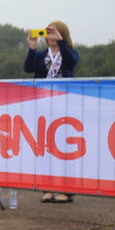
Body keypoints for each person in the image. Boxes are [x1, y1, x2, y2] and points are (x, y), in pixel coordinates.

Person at [25, 20, 79, 203]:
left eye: (53, 33)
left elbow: (72, 63)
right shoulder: (42, 55)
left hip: (64, 106)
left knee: (64, 147)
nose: (49, 37)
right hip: (43, 106)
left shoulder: (69, 53)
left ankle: (67, 190)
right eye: (47, 33)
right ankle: (46, 188)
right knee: (45, 147)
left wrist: (61, 42)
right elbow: (28, 68)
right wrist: (32, 48)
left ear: (61, 34)